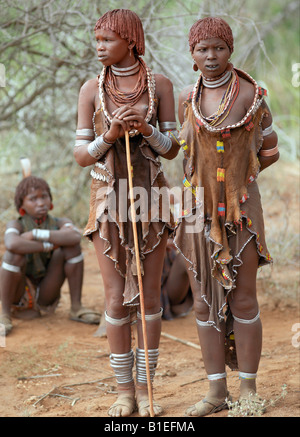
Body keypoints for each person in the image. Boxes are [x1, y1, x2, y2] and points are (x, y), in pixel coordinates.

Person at [73, 9, 179, 417]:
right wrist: (111, 136)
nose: (98, 47)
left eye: (107, 40)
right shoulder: (89, 90)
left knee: (149, 297)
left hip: (150, 196)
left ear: (131, 41)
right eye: (96, 40)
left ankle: (148, 388)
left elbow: (173, 148)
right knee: (116, 299)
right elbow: (82, 155)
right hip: (106, 200)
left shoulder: (162, 86)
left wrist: (147, 131)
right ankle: (125, 394)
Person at [174, 17, 279, 416]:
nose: (211, 56)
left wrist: (237, 184)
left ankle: (249, 390)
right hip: (196, 210)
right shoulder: (188, 97)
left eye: (218, 47)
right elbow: (182, 153)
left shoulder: (252, 97)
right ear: (193, 54)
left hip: (241, 212)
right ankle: (216, 394)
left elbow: (269, 152)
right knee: (203, 303)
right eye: (202, 49)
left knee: (244, 298)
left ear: (230, 49)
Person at [0, 172, 100, 335]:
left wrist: (34, 235)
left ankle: (76, 308)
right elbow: (12, 243)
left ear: (51, 200)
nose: (41, 203)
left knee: (71, 247)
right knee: (13, 254)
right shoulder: (16, 225)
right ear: (21, 205)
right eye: (33, 199)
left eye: (44, 197)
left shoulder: (60, 222)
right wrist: (48, 246)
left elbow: (74, 236)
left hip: (46, 292)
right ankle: (4, 314)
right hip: (19, 293)